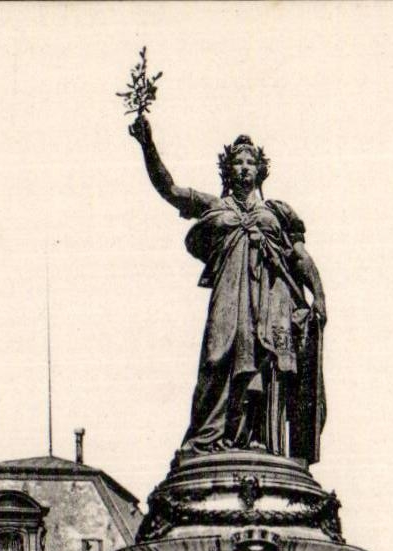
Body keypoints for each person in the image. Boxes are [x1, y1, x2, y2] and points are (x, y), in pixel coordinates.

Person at [129, 115, 327, 461]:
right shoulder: (216, 206)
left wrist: (319, 294)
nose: (245, 167)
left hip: (269, 302)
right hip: (228, 297)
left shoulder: (276, 213)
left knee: (263, 364)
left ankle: (256, 440)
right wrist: (148, 145)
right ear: (228, 168)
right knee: (216, 356)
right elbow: (170, 190)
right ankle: (209, 437)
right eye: (238, 161)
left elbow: (299, 257)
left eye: (251, 162)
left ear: (261, 170)